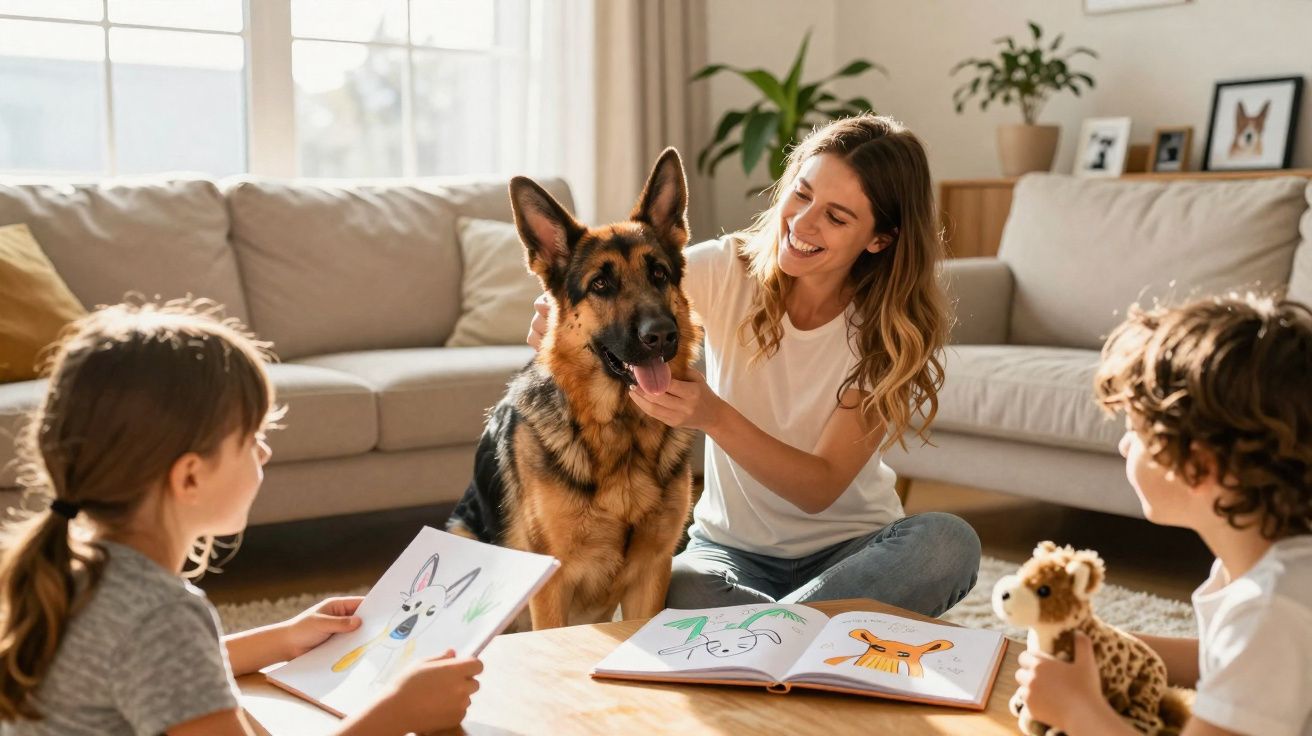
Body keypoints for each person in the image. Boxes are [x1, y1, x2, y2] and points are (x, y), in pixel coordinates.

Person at [529, 114, 980, 616]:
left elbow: (819, 488)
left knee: (948, 544)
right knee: (680, 585)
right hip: (730, 555)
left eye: (836, 218)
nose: (803, 224)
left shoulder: (887, 332)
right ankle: (807, 630)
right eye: (802, 194)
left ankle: (765, 633)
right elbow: (615, 292)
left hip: (853, 552)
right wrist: (550, 316)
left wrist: (712, 416)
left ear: (879, 239)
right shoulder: (728, 268)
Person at [0, 301, 481, 736]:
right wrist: (397, 713)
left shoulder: (75, 572)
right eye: (253, 439)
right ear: (189, 476)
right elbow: (162, 650)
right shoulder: (161, 617)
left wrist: (282, 638)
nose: (265, 453)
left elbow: (156, 666)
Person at [1015, 294, 1312, 736]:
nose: (1124, 446)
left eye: (1135, 432)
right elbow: (1225, 662)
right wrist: (1106, 646)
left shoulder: (1270, 609)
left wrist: (1078, 709)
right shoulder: (1268, 568)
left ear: (1199, 466)